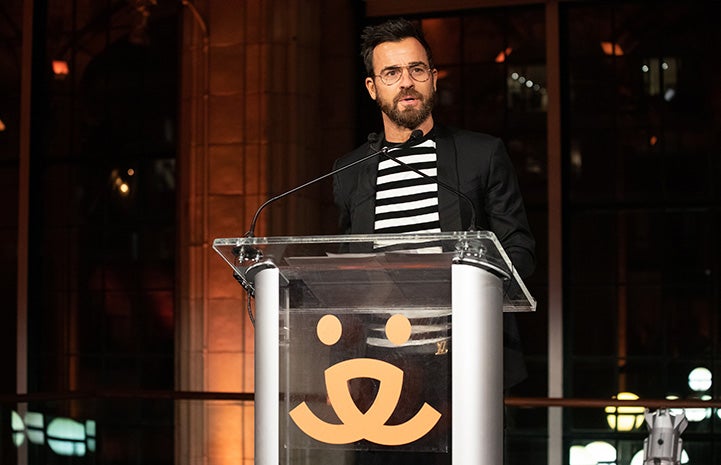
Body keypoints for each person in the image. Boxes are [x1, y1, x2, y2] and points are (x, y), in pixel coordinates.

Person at [331, 18, 536, 464]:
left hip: (461, 366)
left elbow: (518, 249)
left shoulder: (482, 154)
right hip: (375, 375)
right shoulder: (350, 172)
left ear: (433, 77)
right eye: (392, 73)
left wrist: (472, 284)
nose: (406, 82)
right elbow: (347, 266)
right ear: (372, 87)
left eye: (417, 70)